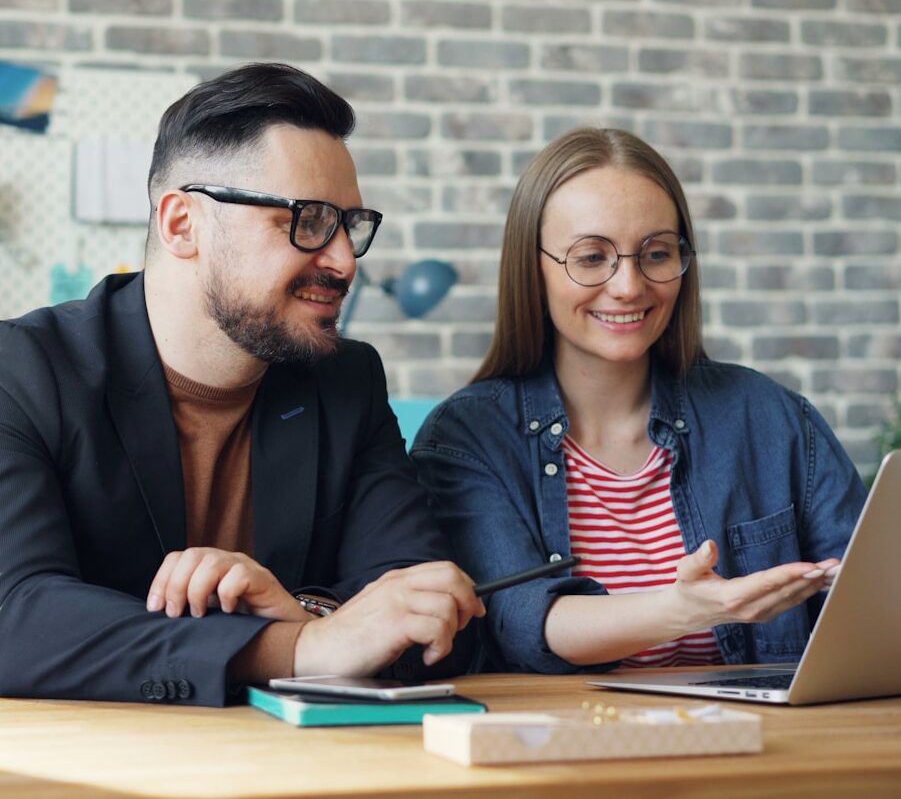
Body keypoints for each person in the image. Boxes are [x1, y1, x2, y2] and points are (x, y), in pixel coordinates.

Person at [0, 62, 484, 706]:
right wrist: (297, 647)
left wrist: (302, 610)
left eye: (350, 225)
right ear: (182, 224)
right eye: (307, 220)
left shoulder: (345, 381)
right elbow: (15, 613)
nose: (343, 260)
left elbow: (425, 606)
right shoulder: (24, 372)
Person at [411, 127, 867, 675]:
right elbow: (524, 621)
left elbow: (871, 602)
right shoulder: (467, 438)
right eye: (591, 257)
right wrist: (682, 611)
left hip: (761, 747)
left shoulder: (773, 418)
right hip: (563, 750)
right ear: (533, 269)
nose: (628, 286)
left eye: (655, 253)